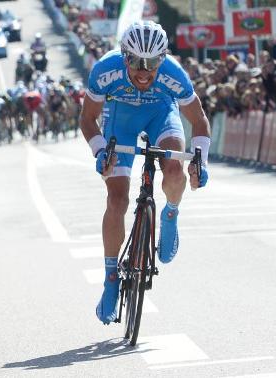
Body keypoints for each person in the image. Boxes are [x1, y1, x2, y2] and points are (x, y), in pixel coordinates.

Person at [79, 21, 210, 325]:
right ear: (124, 56)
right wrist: (100, 152)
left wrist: (201, 159)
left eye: (151, 63)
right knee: (117, 199)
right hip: (120, 120)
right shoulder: (104, 70)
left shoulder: (173, 74)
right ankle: (111, 279)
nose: (143, 70)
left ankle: (171, 214)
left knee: (175, 169)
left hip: (160, 114)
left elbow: (199, 121)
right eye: (135, 61)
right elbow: (87, 119)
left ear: (162, 59)